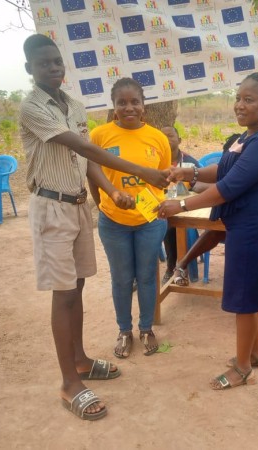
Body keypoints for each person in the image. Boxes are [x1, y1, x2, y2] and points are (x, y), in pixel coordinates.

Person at [19, 34, 168, 421]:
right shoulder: (32, 107)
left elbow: (86, 163)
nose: (53, 68)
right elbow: (84, 147)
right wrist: (140, 172)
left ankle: (81, 360)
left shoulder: (73, 105)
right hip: (51, 207)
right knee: (63, 293)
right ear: (29, 68)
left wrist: (109, 192)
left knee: (78, 287)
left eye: (57, 61)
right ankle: (69, 383)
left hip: (79, 206)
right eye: (44, 63)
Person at [157, 72, 258, 389]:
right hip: (243, 224)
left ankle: (243, 368)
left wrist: (182, 205)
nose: (239, 105)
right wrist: (190, 172)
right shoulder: (248, 137)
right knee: (251, 293)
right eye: (238, 98)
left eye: (248, 99)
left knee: (244, 298)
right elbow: (225, 169)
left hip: (252, 227)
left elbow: (228, 188)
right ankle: (257, 353)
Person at [88, 78, 171, 360]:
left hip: (150, 221)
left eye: (135, 101)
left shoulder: (158, 138)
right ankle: (124, 331)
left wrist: (150, 203)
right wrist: (105, 203)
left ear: (143, 105)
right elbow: (92, 174)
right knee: (122, 278)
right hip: (113, 223)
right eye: (121, 102)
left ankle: (146, 329)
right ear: (113, 106)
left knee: (147, 276)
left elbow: (163, 179)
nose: (129, 108)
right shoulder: (100, 136)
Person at [166, 132, 241, 287]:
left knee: (220, 230)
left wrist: (228, 189)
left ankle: (182, 264)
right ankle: (179, 265)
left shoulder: (251, 168)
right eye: (227, 158)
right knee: (213, 229)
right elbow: (199, 185)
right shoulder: (224, 170)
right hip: (221, 221)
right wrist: (223, 188)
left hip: (245, 225)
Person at [160, 126, 205, 285]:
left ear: (179, 140)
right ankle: (171, 267)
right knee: (164, 222)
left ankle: (174, 267)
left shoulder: (189, 162)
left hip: (186, 207)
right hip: (162, 205)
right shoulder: (155, 161)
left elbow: (201, 183)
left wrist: (193, 187)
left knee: (171, 224)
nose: (166, 139)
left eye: (170, 136)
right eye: (163, 136)